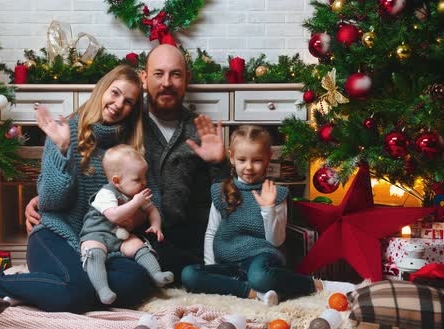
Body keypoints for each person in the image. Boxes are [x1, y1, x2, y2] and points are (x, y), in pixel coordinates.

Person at [25, 44, 227, 280]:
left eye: (176, 74)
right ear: (144, 77)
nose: (167, 83)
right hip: (125, 233)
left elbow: (225, 197)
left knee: (155, 276)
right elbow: (80, 177)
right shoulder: (124, 124)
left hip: (168, 235)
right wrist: (40, 200)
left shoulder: (197, 130)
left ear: (187, 79)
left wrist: (220, 163)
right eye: (158, 74)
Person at [0, 65, 156, 312]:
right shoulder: (65, 131)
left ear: (133, 110)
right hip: (55, 235)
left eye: (128, 101)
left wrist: (135, 216)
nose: (119, 104)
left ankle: (44, 289)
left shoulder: (131, 146)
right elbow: (51, 202)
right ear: (102, 90)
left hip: (102, 246)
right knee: (75, 293)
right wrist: (64, 151)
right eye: (115, 93)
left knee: (137, 282)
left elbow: (151, 199)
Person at [181, 125, 355, 305]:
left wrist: (268, 208)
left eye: (256, 160)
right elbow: (211, 232)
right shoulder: (220, 191)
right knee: (189, 274)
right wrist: (211, 268)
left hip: (261, 259)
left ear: (268, 158)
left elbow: (277, 241)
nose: (248, 167)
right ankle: (255, 293)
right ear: (231, 157)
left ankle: (317, 285)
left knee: (260, 277)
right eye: (242, 159)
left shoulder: (276, 193)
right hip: (227, 262)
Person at [80, 144, 174, 304]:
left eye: (145, 177)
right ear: (117, 181)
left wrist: (155, 224)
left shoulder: (135, 193)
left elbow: (152, 210)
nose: (144, 182)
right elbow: (114, 216)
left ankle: (156, 274)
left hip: (120, 237)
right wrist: (136, 203)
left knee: (138, 246)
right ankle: (102, 290)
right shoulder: (106, 193)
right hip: (96, 234)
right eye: (138, 179)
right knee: (93, 252)